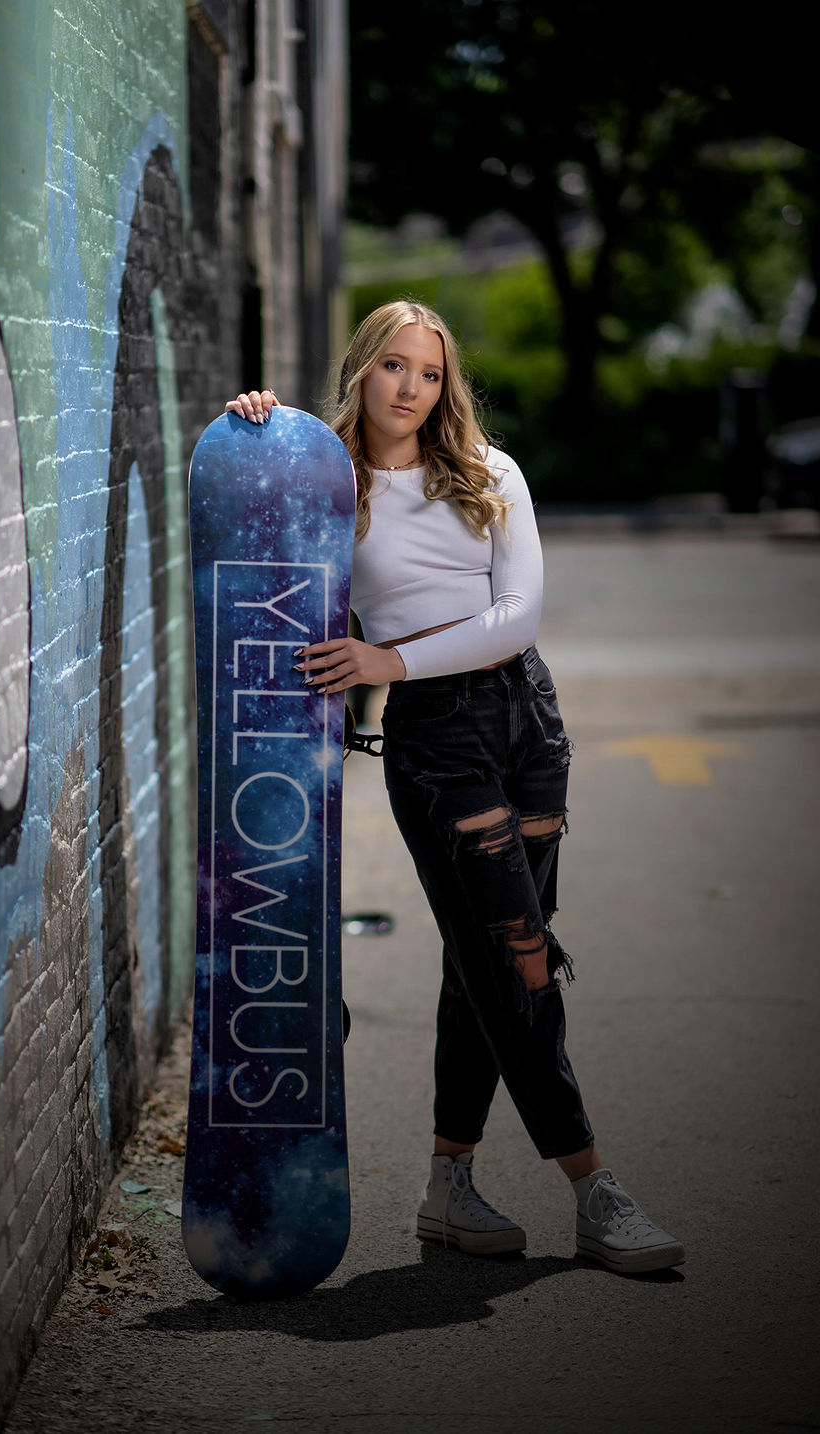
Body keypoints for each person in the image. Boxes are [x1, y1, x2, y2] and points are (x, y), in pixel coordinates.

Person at [225, 299, 683, 1275]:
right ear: (362, 370)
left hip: (527, 721)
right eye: (393, 367)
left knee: (481, 962)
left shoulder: (485, 473)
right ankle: (593, 1190)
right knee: (518, 958)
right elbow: (243, 520)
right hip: (439, 744)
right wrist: (254, 426)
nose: (411, 389)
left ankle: (449, 1186)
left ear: (446, 385)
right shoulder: (325, 482)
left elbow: (516, 619)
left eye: (429, 374)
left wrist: (385, 659)